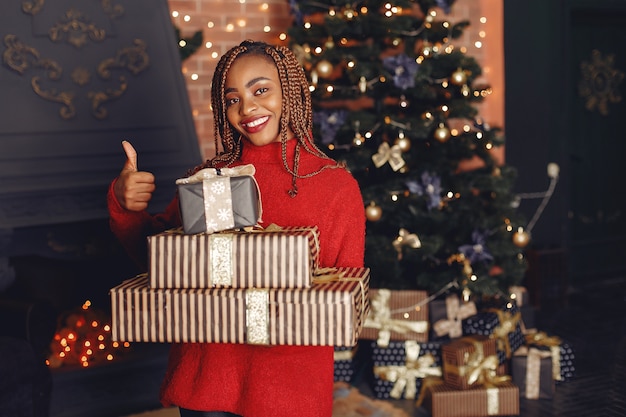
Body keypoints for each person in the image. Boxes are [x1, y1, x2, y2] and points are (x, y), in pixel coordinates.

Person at [107, 40, 366, 417]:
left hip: (286, 393)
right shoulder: (208, 179)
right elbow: (159, 261)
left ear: (290, 92)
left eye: (261, 90)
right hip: (204, 382)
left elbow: (338, 300)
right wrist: (125, 206)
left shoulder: (334, 187)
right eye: (231, 99)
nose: (246, 108)